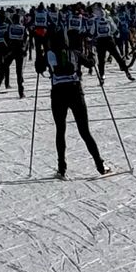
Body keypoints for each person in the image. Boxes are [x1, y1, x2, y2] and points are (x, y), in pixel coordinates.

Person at [38, 23, 107, 179]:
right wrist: (93, 56)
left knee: (60, 130)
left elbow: (39, 68)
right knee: (84, 131)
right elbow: (90, 63)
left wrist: (39, 59)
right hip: (75, 92)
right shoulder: (74, 53)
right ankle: (100, 164)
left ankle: (61, 168)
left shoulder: (49, 54)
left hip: (57, 94)